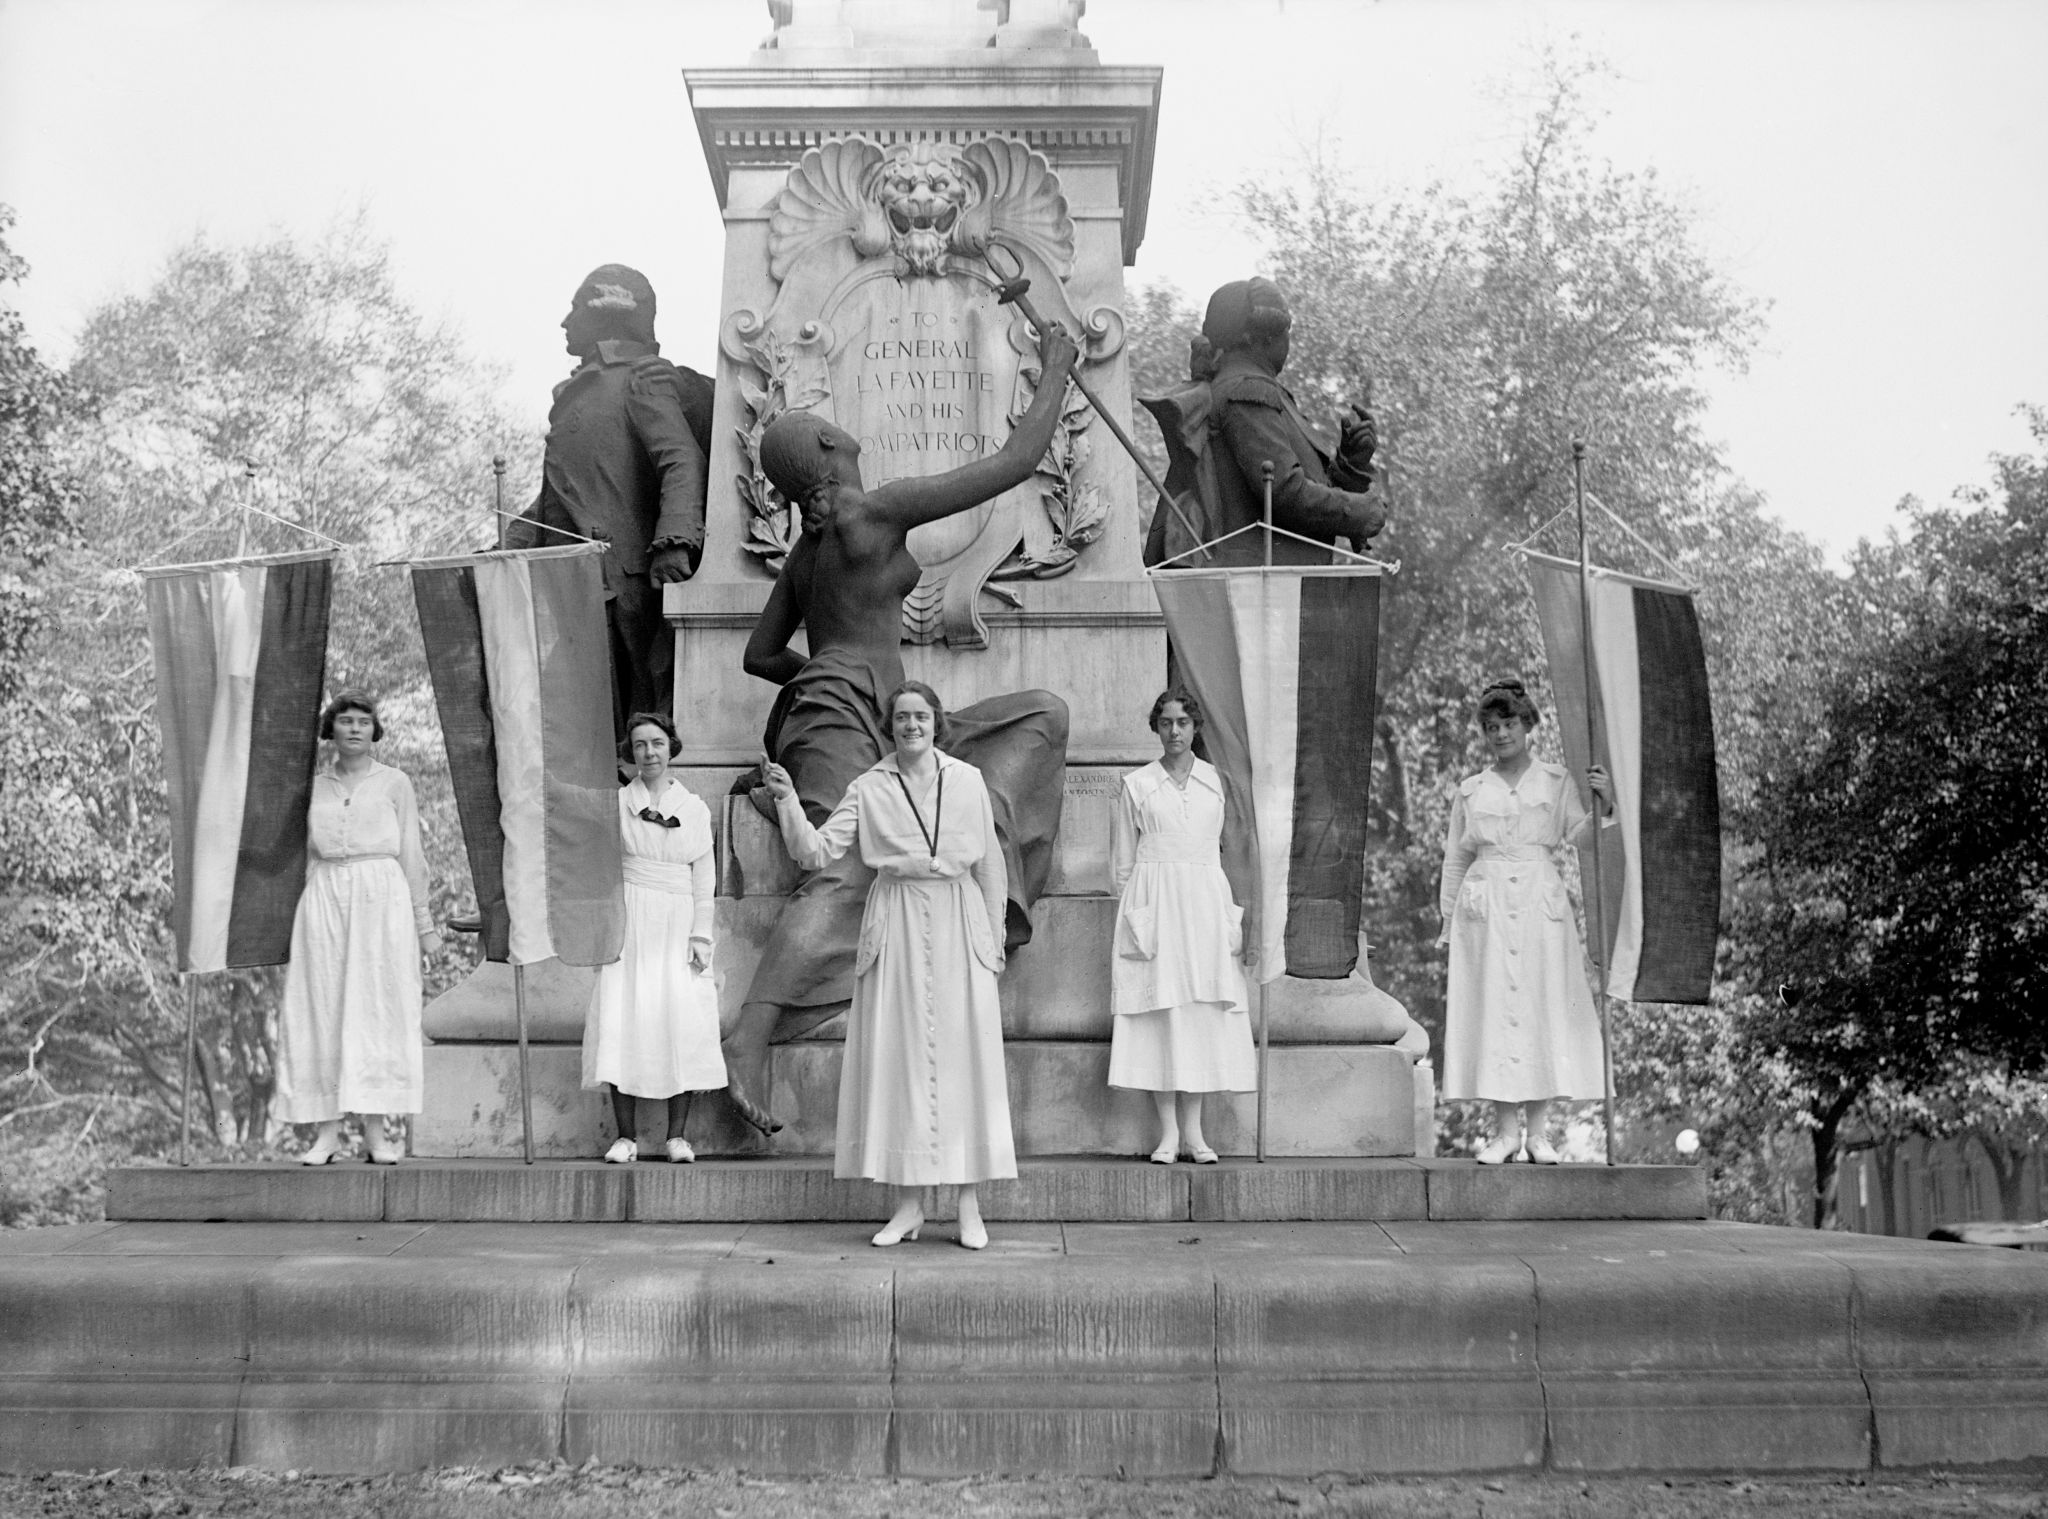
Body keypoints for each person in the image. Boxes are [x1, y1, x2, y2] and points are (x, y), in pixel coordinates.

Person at [721, 320, 1081, 1133]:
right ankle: (749, 1033)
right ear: (825, 444)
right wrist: (1056, 364)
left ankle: (986, 900)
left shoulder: (810, 549)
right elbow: (1017, 463)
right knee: (843, 867)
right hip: (848, 709)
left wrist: (822, 673)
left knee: (1041, 719)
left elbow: (758, 653)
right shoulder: (875, 511)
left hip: (887, 711)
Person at [762, 682, 1014, 1250]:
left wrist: (992, 939)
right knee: (900, 1063)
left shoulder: (967, 781)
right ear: (889, 726)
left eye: (920, 716)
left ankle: (969, 1207)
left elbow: (990, 862)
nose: (911, 726)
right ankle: (907, 1207)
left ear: (935, 721)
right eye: (901, 718)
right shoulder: (869, 786)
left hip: (957, 917)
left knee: (963, 1062)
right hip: (896, 919)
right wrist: (787, 800)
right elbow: (815, 853)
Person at [504, 264, 713, 733]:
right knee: (579, 718)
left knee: (635, 717)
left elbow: (681, 460)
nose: (565, 322)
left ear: (609, 313)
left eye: (576, 307)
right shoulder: (578, 394)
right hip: (575, 583)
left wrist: (675, 541)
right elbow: (556, 498)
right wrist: (508, 545)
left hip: (628, 584)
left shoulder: (641, 379)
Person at [1437, 679, 1614, 1164]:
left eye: (1509, 724)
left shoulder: (1555, 782)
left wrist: (1604, 804)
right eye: (1491, 727)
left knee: (1540, 1008)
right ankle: (1504, 1132)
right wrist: (1449, 916)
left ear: (1528, 725)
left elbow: (1580, 836)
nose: (1500, 734)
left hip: (1539, 898)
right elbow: (1456, 857)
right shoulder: (1471, 790)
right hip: (1487, 902)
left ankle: (1538, 1133)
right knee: (1494, 1010)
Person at [275, 692, 440, 1164]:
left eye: (363, 722)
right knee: (320, 1009)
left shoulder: (395, 783)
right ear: (331, 729)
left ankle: (376, 1133)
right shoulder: (313, 787)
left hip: (381, 897)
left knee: (379, 1009)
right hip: (325, 897)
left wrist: (423, 922)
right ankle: (326, 1135)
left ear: (374, 731)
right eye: (345, 721)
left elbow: (411, 852)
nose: (353, 729)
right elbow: (296, 856)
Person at [1141, 277, 1384, 569]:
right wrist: (1359, 511)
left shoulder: (1246, 389)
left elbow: (1291, 491)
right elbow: (1284, 493)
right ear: (1266, 337)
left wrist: (1350, 466)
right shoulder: (1248, 391)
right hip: (1262, 589)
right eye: (1287, 332)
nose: (1289, 342)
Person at [1108, 689, 1255, 1163]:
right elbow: (1121, 866)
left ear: (1196, 728)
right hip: (1155, 905)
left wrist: (1236, 912)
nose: (1175, 731)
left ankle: (1196, 1133)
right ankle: (1168, 1134)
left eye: (1184, 723)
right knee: (1161, 1017)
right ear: (1156, 727)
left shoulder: (1217, 784)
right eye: (1167, 723)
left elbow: (1234, 851)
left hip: (1205, 907)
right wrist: (1138, 917)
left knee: (1199, 1015)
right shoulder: (1136, 786)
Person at [581, 711, 725, 1164]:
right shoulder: (616, 805)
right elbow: (599, 870)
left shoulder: (695, 809)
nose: (650, 753)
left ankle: (676, 1137)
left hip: (677, 921)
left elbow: (704, 879)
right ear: (631, 752)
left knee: (678, 1020)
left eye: (657, 743)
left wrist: (701, 935)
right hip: (630, 920)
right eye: (641, 745)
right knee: (622, 1017)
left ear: (671, 748)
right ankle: (626, 1137)